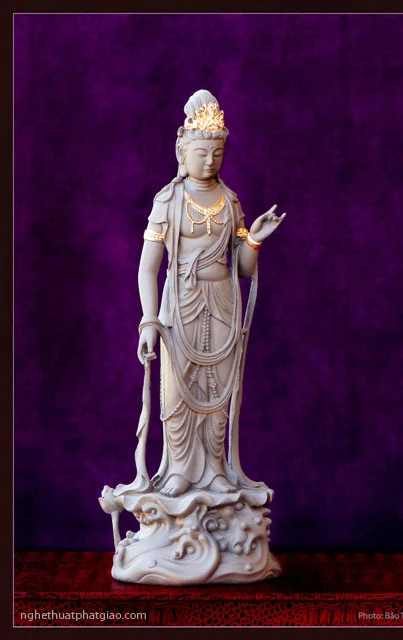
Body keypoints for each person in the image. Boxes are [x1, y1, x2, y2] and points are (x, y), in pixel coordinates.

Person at [136, 90, 285, 498]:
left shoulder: (230, 201)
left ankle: (215, 469)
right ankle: (180, 470)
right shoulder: (168, 200)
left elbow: (242, 269)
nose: (209, 161)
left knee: (219, 388)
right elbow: (148, 267)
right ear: (182, 152)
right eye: (201, 153)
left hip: (221, 300)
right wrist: (149, 321)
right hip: (181, 301)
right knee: (178, 388)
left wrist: (254, 239)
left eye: (216, 154)